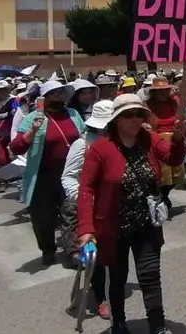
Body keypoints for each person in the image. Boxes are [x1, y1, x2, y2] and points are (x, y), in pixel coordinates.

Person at [77, 94, 186, 334]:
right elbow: (86, 189)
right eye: (128, 115)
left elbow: (172, 158)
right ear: (116, 119)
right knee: (116, 279)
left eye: (139, 114)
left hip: (146, 223)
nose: (135, 120)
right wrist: (86, 229)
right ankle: (119, 323)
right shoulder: (100, 148)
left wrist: (178, 139)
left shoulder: (149, 139)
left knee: (150, 276)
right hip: (112, 227)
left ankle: (157, 325)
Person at [11, 79, 84, 265]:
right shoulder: (32, 118)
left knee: (72, 212)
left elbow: (84, 136)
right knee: (43, 217)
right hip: (43, 175)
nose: (58, 96)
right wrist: (32, 131)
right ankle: (48, 249)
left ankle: (72, 252)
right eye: (53, 93)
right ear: (44, 97)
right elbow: (16, 147)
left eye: (60, 92)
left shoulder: (73, 114)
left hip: (70, 173)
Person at [59, 100, 113, 316]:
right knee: (97, 258)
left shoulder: (123, 140)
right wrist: (84, 199)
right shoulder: (82, 144)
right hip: (90, 207)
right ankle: (101, 298)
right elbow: (69, 177)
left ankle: (111, 291)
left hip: (115, 206)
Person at [144, 77, 186, 214]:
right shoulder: (147, 105)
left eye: (165, 90)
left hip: (175, 139)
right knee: (160, 175)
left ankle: (165, 194)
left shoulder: (174, 103)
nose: (163, 93)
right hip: (156, 141)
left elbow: (181, 118)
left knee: (175, 174)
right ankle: (160, 196)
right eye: (159, 91)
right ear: (153, 92)